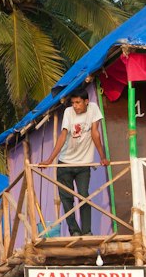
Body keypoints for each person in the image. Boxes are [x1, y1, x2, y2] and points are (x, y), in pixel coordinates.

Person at [44, 92, 105, 236]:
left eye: (78, 102)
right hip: (65, 162)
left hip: (84, 164)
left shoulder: (93, 109)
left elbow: (95, 133)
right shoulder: (68, 112)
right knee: (66, 198)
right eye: (73, 103)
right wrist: (49, 160)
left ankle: (87, 231)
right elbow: (63, 136)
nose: (75, 106)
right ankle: (74, 231)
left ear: (86, 101)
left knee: (84, 195)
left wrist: (102, 157)